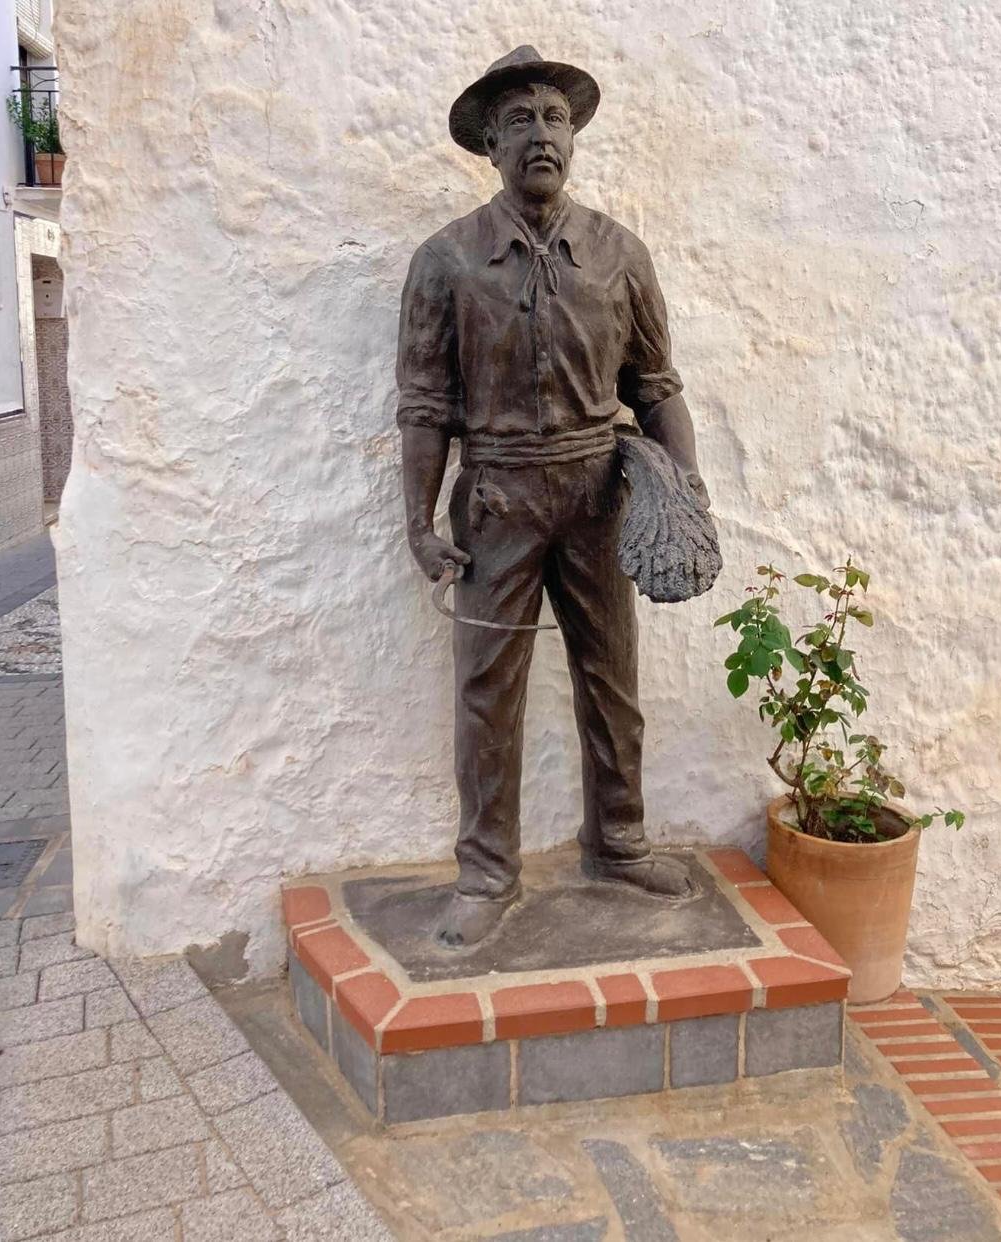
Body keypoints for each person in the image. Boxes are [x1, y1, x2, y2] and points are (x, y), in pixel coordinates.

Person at [397, 46, 710, 947]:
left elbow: (656, 387)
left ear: (573, 140)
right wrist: (419, 523)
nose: (542, 135)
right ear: (491, 146)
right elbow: (425, 405)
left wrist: (686, 490)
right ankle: (486, 871)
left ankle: (618, 841)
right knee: (485, 692)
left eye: (555, 119)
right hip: (496, 502)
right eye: (521, 122)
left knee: (612, 678)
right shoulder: (446, 261)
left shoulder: (620, 255)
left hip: (597, 495)